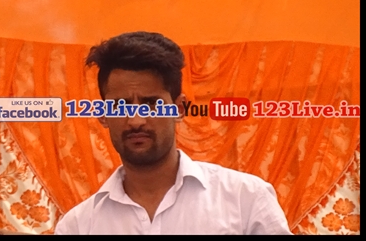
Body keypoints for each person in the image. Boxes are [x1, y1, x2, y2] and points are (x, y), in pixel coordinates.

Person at [54, 31, 291, 235]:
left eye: (151, 104)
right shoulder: (78, 226)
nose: (136, 121)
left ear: (179, 108)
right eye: (120, 106)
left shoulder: (245, 200)